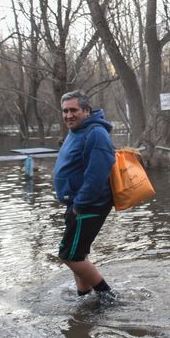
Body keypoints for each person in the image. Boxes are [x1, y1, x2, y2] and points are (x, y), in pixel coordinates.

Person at [53, 90, 117, 303]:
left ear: (87, 111)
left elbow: (97, 174)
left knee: (68, 255)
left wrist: (79, 205)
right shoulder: (77, 131)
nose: (68, 115)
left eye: (74, 110)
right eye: (65, 111)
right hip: (77, 203)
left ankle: (107, 296)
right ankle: (84, 297)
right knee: (78, 253)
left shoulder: (96, 133)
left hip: (89, 204)